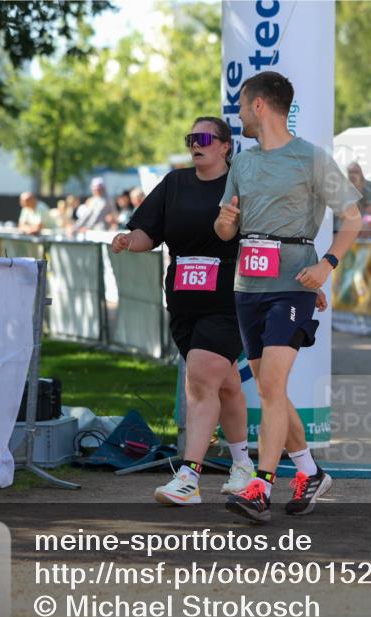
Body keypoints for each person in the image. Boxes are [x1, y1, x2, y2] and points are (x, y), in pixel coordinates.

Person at [215, 71, 362, 523]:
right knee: (268, 388)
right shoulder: (242, 163)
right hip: (247, 286)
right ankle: (310, 472)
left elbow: (353, 218)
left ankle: (260, 486)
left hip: (293, 285)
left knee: (273, 386)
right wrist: (225, 221)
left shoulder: (312, 159)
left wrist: (327, 265)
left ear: (260, 105)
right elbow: (225, 230)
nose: (237, 113)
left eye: (241, 104)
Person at [112, 117, 256, 505]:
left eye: (204, 137)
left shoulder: (242, 183)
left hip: (229, 297)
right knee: (223, 383)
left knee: (200, 378)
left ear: (226, 146)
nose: (196, 143)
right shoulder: (175, 184)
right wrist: (129, 240)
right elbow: (148, 232)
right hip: (183, 299)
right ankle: (243, 467)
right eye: (191, 138)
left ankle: (189, 476)